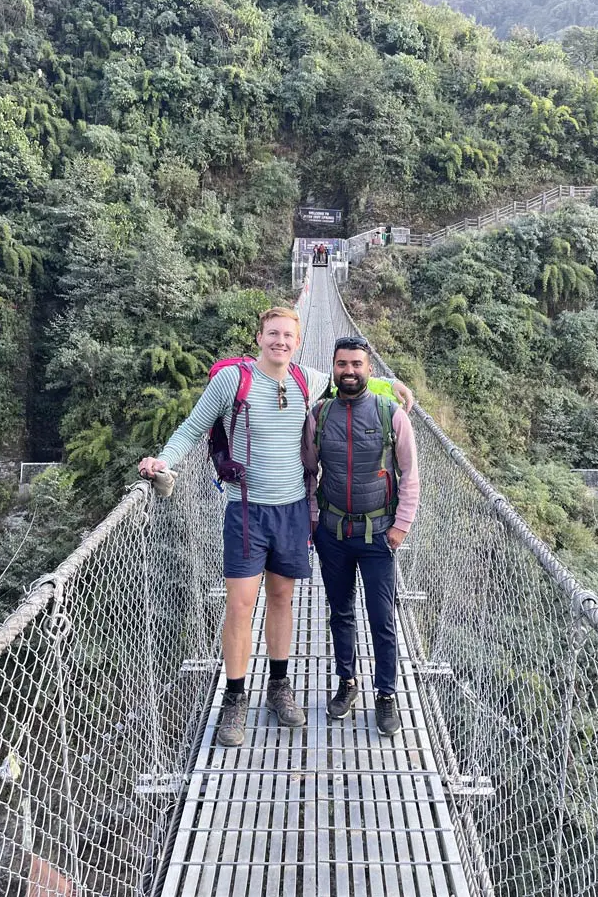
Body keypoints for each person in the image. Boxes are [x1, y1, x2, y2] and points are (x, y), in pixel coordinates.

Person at [138, 308, 414, 748]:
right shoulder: (233, 381)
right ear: (259, 337)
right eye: (273, 334)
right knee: (241, 605)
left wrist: (392, 384)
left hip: (292, 509)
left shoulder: (307, 379)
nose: (280, 342)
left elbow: (354, 381)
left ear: (299, 341)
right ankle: (234, 697)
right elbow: (192, 428)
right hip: (245, 508)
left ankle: (279, 686)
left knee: (282, 598)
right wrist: (163, 462)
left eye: (288, 335)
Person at [302, 335, 420, 737]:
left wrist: (400, 527)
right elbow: (308, 472)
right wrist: (314, 520)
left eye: (357, 364)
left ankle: (386, 695)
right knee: (340, 613)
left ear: (370, 369)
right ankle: (347, 683)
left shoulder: (392, 415)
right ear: (333, 369)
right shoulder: (319, 415)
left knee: (382, 618)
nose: (349, 371)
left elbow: (410, 476)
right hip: (333, 533)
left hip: (378, 535)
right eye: (342, 365)